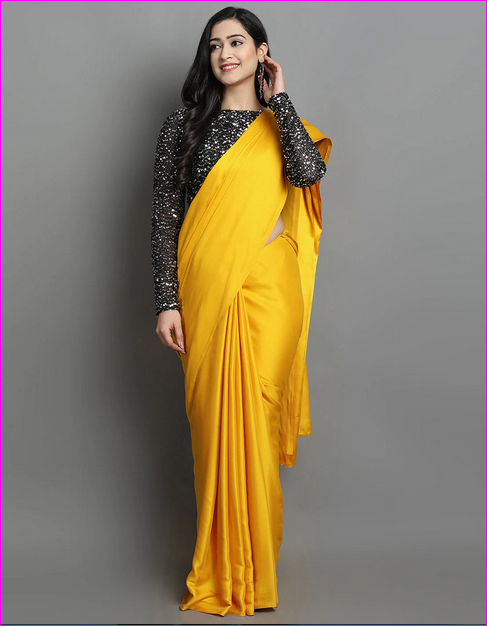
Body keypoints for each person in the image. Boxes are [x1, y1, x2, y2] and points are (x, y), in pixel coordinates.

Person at [151, 6, 332, 617]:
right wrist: (167, 300)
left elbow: (308, 173)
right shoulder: (182, 128)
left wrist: (280, 103)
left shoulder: (281, 125)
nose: (225, 53)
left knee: (255, 418)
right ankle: (224, 571)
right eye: (215, 44)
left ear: (261, 53)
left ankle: (256, 576)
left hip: (269, 293)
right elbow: (163, 218)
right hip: (205, 290)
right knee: (215, 428)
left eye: (237, 42)